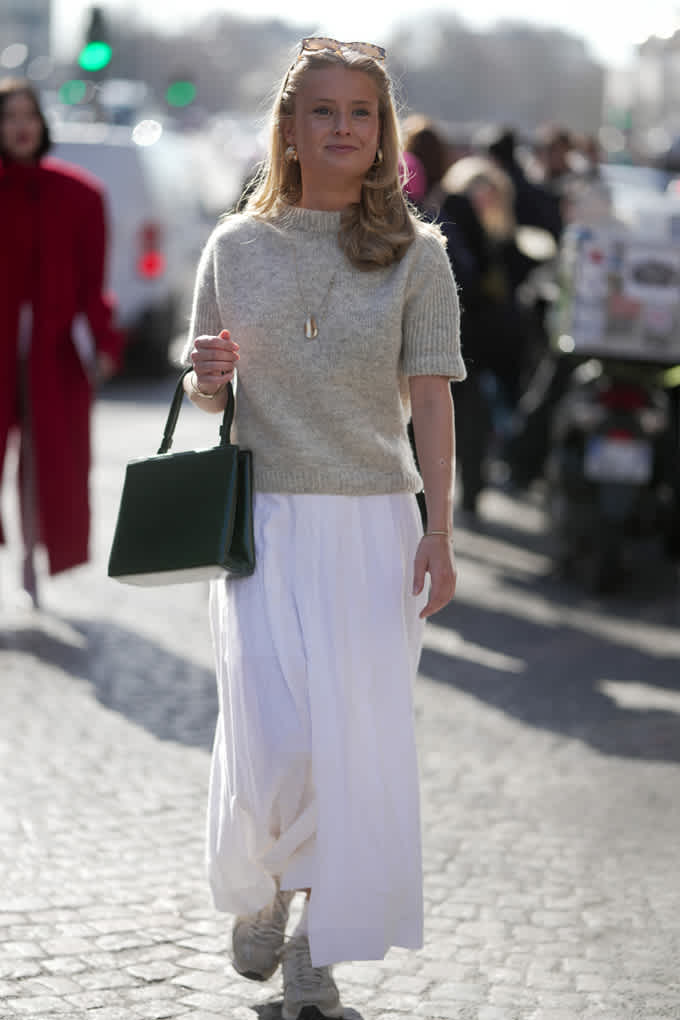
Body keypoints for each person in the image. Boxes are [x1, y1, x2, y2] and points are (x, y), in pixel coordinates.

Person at [182, 38, 466, 1020]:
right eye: (323, 111)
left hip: (374, 524)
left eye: (361, 113)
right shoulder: (233, 248)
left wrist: (440, 529)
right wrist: (207, 376)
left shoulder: (416, 256)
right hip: (259, 521)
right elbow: (207, 390)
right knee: (274, 736)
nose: (343, 128)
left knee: (352, 745)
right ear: (290, 130)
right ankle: (263, 884)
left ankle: (317, 943)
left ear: (380, 133)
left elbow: (430, 400)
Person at [0, 79, 123, 607]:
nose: (21, 126)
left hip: (51, 354)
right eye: (9, 116)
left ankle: (32, 554)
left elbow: (93, 284)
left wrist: (104, 341)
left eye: (29, 114)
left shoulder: (81, 194)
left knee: (46, 465)